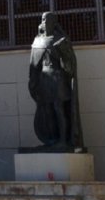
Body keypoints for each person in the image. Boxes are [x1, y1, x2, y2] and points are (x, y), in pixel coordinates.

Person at [27, 12, 84, 152]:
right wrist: (33, 82)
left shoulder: (61, 40)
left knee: (59, 109)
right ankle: (51, 139)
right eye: (43, 20)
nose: (44, 23)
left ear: (53, 23)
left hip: (58, 79)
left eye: (47, 20)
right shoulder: (38, 41)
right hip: (44, 80)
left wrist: (64, 53)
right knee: (47, 110)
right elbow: (34, 65)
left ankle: (63, 140)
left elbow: (69, 64)